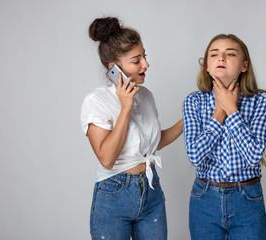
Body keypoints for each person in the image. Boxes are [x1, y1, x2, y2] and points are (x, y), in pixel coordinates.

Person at [81, 17, 183, 240]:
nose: (146, 64)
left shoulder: (146, 95)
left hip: (151, 189)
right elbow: (107, 158)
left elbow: (152, 143)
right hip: (114, 194)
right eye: (137, 60)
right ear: (114, 68)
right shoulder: (96, 101)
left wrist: (187, 121)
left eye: (144, 56)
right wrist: (125, 108)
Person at [183, 34, 266, 240]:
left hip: (247, 198)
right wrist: (219, 112)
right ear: (207, 66)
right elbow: (195, 156)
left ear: (244, 66)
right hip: (204, 198)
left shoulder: (261, 100)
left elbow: (253, 156)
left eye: (230, 54)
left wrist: (232, 109)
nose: (221, 58)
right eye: (214, 54)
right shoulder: (194, 101)